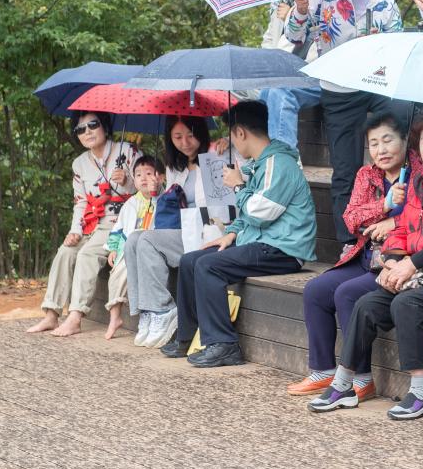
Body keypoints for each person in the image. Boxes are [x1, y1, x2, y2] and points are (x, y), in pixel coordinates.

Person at [308, 108, 423, 420]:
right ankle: (344, 385)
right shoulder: (421, 180)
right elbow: (404, 228)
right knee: (366, 304)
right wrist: (392, 262)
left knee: (406, 304)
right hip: (422, 274)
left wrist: (411, 264)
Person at [165, 100, 317, 368]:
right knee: (191, 259)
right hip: (259, 241)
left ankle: (223, 344)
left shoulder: (278, 164)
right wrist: (232, 233)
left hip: (283, 249)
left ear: (240, 133)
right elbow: (248, 217)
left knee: (209, 266)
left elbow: (261, 211)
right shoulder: (259, 163)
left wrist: (237, 186)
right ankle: (187, 337)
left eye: (232, 136)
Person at [287, 113, 422, 399]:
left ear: (404, 140)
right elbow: (351, 218)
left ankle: (361, 378)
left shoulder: (420, 175)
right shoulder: (367, 174)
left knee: (347, 293)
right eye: (373, 144)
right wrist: (384, 206)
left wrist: (394, 224)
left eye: (387, 140)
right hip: (364, 256)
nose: (381, 150)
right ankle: (323, 370)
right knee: (315, 290)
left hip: (395, 262)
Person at [285, 0, 408, 248]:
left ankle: (400, 224)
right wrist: (300, 11)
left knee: (402, 126)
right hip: (338, 85)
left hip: (377, 80)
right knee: (345, 167)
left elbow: (398, 38)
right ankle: (347, 241)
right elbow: (294, 36)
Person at [126, 115, 238, 351]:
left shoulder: (215, 155)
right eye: (177, 137)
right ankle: (146, 311)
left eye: (190, 135)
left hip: (209, 232)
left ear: (201, 132)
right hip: (184, 231)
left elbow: (229, 201)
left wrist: (229, 142)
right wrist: (159, 191)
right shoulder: (173, 166)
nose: (185, 142)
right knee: (133, 239)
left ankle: (163, 308)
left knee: (147, 240)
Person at [27, 110, 138, 337]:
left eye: (93, 125)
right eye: (80, 129)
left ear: (105, 126)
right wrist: (75, 230)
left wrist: (127, 181)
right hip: (91, 219)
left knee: (87, 254)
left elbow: (147, 188)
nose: (87, 132)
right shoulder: (79, 164)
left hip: (117, 221)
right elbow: (80, 202)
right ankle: (51, 313)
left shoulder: (127, 152)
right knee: (66, 251)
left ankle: (76, 316)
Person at [103, 155, 163, 341]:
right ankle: (115, 317)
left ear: (160, 177)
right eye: (138, 175)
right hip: (128, 249)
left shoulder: (164, 199)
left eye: (149, 173)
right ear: (134, 180)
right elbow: (118, 228)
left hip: (151, 249)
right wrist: (113, 249)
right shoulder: (130, 204)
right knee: (117, 273)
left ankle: (148, 316)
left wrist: (155, 195)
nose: (144, 178)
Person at [258, 0, 321, 147]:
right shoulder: (278, 1)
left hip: (315, 72)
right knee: (263, 92)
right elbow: (269, 39)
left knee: (279, 91)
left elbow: (319, 37)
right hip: (281, 70)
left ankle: (284, 156)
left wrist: (291, 16)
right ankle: (264, 154)